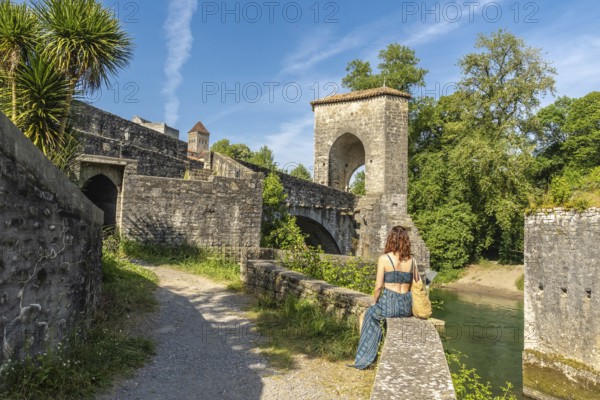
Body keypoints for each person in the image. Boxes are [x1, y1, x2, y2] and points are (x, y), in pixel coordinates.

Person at [351, 225, 417, 369]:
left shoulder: (384, 259)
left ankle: (365, 358)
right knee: (375, 317)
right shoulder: (412, 260)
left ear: (390, 240)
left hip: (389, 304)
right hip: (406, 306)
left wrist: (375, 302)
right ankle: (377, 351)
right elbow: (416, 285)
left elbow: (378, 286)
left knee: (366, 315)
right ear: (406, 241)